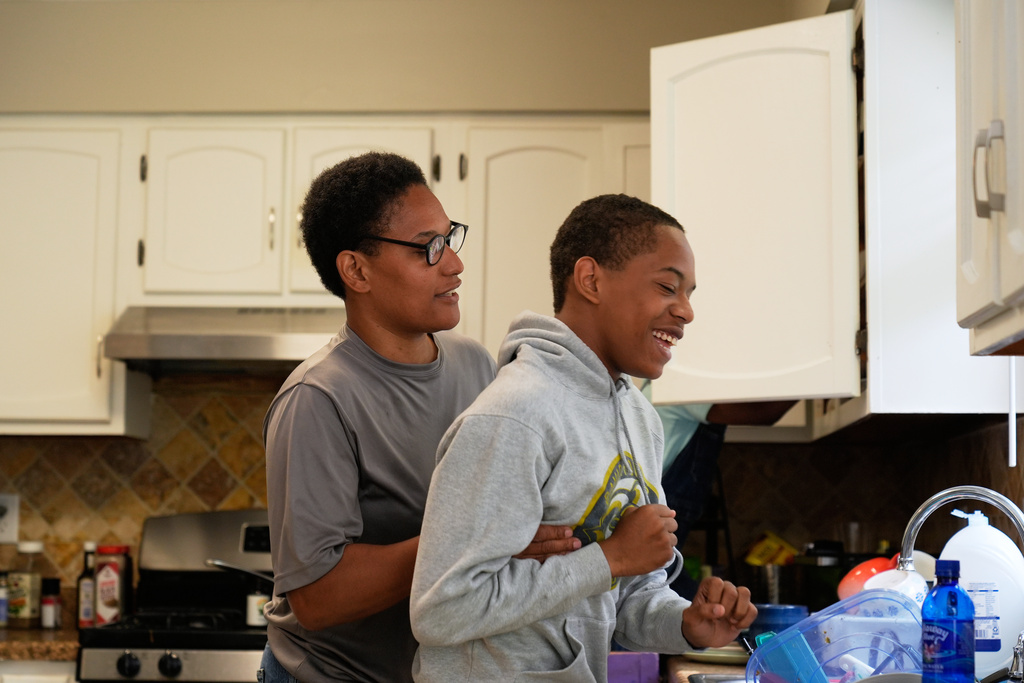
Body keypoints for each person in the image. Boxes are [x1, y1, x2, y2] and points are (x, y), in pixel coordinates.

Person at [409, 194, 758, 681]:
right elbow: (442, 611)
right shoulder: (514, 416)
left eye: (690, 294)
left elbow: (626, 597)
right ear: (591, 279)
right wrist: (610, 556)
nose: (686, 312)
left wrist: (688, 624)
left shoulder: (641, 418)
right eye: (667, 287)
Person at [260, 152, 578, 683]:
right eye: (428, 248)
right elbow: (317, 597)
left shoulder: (476, 364)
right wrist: (482, 542)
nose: (453, 263)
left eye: (450, 238)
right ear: (356, 270)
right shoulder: (317, 399)